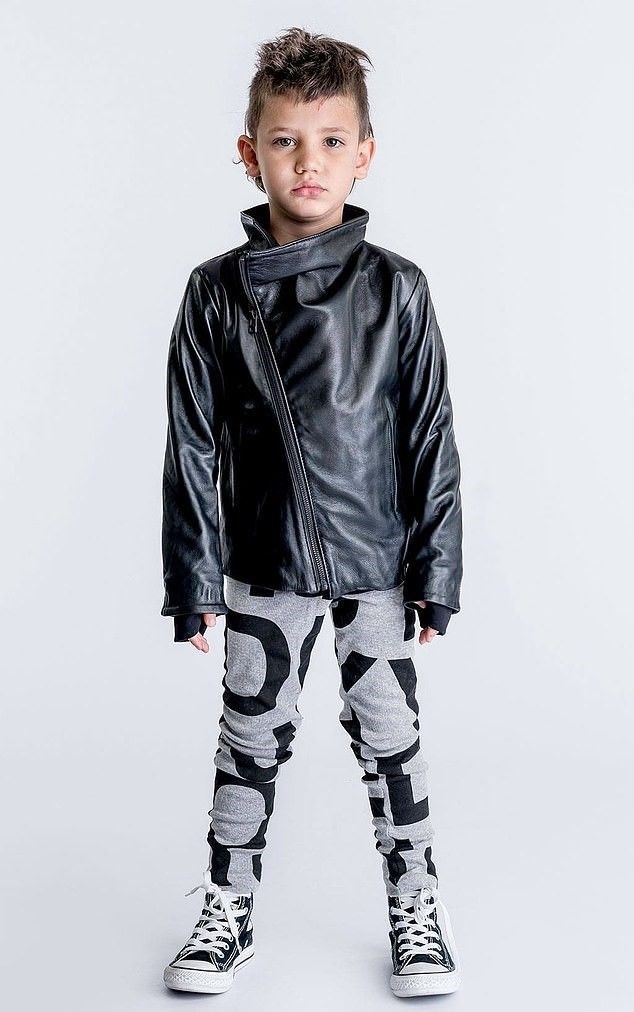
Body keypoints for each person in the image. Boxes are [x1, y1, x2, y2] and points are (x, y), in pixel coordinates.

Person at [160, 26, 464, 998]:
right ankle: (227, 907)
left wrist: (437, 569)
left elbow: (429, 435)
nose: (308, 161)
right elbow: (192, 446)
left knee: (392, 742)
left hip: (378, 566)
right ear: (248, 153)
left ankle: (418, 909)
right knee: (249, 739)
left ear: (363, 154)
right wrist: (193, 582)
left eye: (331, 140)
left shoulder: (399, 288)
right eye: (286, 140)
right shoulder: (214, 293)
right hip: (264, 563)